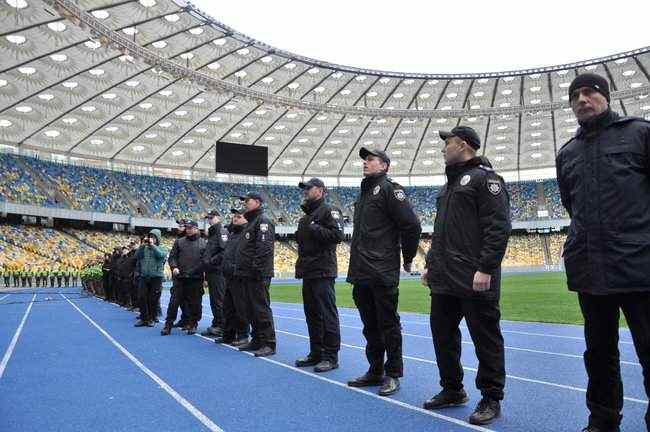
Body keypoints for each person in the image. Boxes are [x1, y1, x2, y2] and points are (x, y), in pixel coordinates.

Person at [556, 73, 650, 432]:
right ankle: (603, 419)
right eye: (575, 95)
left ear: (605, 97)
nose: (582, 99)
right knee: (598, 354)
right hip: (590, 267)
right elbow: (570, 204)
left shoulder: (641, 133)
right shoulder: (567, 152)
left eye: (590, 91)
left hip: (640, 263)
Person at [421, 126, 511, 426]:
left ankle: (491, 397)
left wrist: (486, 267)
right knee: (442, 337)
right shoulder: (447, 187)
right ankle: (452, 389)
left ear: (462, 145)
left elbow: (498, 227)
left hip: (475, 277)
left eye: (447, 144)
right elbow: (441, 233)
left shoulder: (487, 179)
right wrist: (431, 263)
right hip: (444, 278)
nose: (442, 149)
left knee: (485, 339)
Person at [346, 147, 421, 396]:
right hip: (361, 271)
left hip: (382, 270)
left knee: (388, 325)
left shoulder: (390, 189)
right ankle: (375, 370)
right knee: (370, 326)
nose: (365, 163)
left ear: (385, 166)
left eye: (370, 159)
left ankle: (393, 373)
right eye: (364, 160)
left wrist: (408, 257)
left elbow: (411, 225)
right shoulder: (364, 194)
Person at [294, 178, 344, 373]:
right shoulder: (305, 217)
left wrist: (315, 228)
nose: (305, 191)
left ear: (320, 191)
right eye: (304, 188)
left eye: (309, 188)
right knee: (312, 314)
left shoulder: (329, 210)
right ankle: (316, 352)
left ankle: (331, 356)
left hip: (323, 270)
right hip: (308, 271)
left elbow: (338, 236)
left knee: (326, 313)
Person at [234, 192, 277, 357]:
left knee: (261, 308)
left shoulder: (263, 220)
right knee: (251, 309)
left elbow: (264, 248)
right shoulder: (252, 222)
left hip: (258, 273)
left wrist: (256, 269)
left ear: (257, 202)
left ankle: (269, 343)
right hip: (248, 274)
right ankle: (257, 339)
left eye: (247, 200)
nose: (244, 203)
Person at [162, 220, 206, 336]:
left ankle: (193, 323)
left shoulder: (203, 243)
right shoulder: (179, 242)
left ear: (196, 228)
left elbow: (204, 261)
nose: (188, 230)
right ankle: (168, 324)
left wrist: (194, 271)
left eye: (190, 228)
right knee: (173, 303)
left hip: (195, 278)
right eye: (187, 228)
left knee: (195, 303)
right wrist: (174, 267)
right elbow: (172, 257)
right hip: (180, 278)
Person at [215, 208, 250, 346]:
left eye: (239, 216)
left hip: (239, 276)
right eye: (234, 216)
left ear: (246, 219)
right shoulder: (232, 233)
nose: (235, 218)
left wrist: (237, 268)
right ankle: (228, 334)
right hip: (228, 276)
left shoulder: (247, 234)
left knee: (240, 308)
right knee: (228, 307)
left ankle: (243, 335)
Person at [201, 210, 228, 337]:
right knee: (214, 300)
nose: (210, 220)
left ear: (218, 217)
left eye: (212, 217)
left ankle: (222, 326)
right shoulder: (212, 233)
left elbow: (224, 252)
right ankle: (217, 323)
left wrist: (211, 262)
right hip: (212, 271)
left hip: (218, 271)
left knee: (219, 300)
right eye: (208, 218)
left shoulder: (221, 231)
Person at [134, 229, 167, 327]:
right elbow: (136, 256)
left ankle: (152, 318)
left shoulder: (161, 248)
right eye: (150, 237)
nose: (151, 239)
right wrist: (142, 246)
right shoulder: (144, 248)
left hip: (156, 277)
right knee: (141, 297)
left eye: (153, 237)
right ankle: (144, 318)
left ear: (157, 238)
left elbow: (161, 255)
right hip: (144, 276)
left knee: (153, 299)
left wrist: (153, 246)